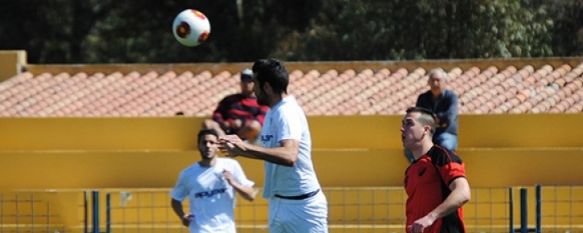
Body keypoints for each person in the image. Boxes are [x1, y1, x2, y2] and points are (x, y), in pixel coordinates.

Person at [218, 58, 328, 233]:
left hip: (302, 207)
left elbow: (289, 155)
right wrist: (239, 150)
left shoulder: (287, 112)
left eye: (255, 84)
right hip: (278, 203)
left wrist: (245, 148)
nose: (253, 89)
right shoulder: (272, 111)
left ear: (267, 87)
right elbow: (268, 152)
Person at [170, 129, 257, 233]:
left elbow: (251, 195)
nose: (208, 145)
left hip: (226, 230)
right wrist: (182, 216)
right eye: (204, 142)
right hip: (200, 230)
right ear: (198, 146)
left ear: (217, 146)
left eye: (212, 142)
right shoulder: (187, 174)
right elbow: (176, 199)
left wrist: (233, 182)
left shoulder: (231, 165)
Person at [401, 107, 471, 233]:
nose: (402, 129)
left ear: (425, 130)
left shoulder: (441, 156)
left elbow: (463, 193)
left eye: (409, 123)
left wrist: (430, 217)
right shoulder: (410, 171)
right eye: (403, 124)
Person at [202, 68, 269, 142]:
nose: (246, 84)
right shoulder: (229, 99)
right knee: (208, 123)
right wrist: (223, 123)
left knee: (254, 126)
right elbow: (217, 113)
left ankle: (234, 142)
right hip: (226, 131)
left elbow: (262, 119)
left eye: (250, 81)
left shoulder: (262, 101)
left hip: (245, 133)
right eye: (244, 81)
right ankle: (224, 140)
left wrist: (242, 123)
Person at [415, 68, 459, 151]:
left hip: (446, 134)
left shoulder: (451, 97)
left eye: (438, 80)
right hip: (427, 135)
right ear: (428, 83)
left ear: (445, 82)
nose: (435, 83)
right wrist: (438, 119)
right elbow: (418, 118)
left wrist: (430, 119)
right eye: (432, 80)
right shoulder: (422, 98)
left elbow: (449, 118)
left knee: (444, 146)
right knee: (411, 149)